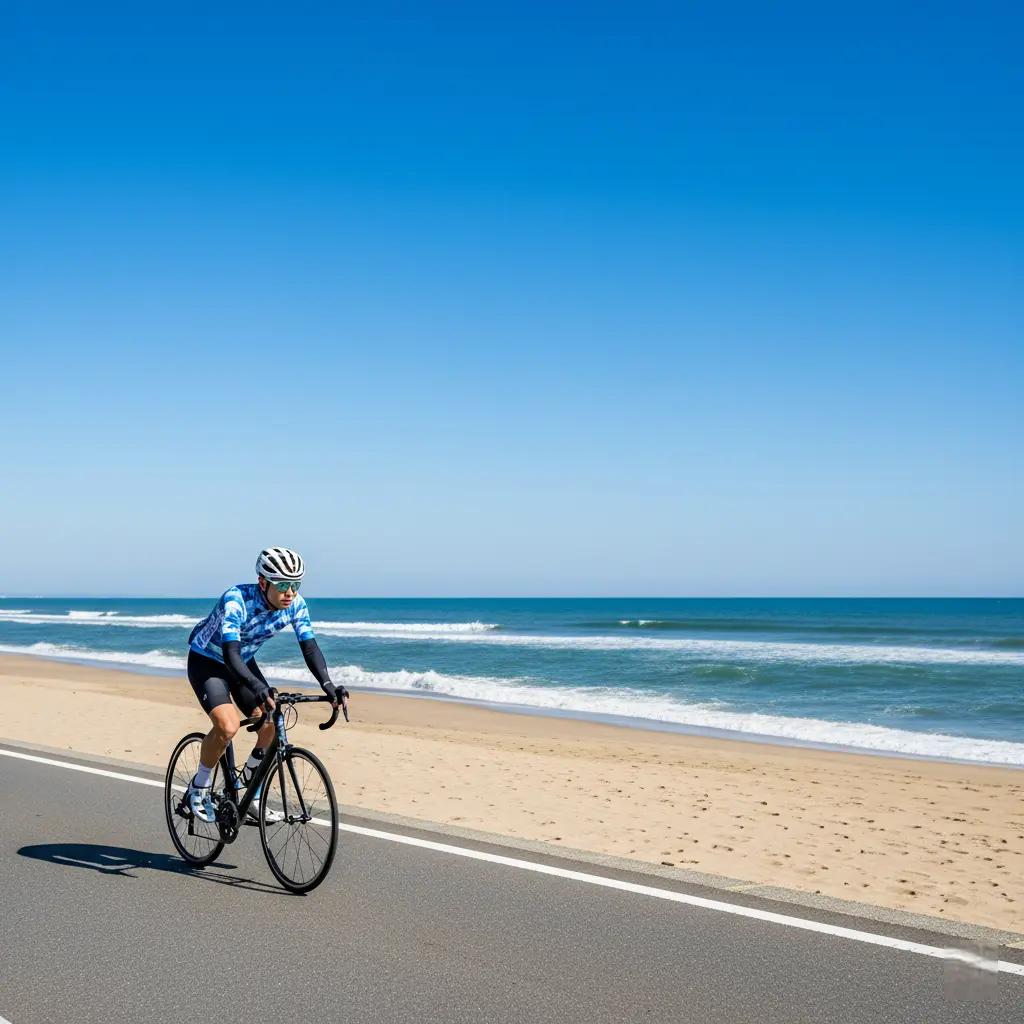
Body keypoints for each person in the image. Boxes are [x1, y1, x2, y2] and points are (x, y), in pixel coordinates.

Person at [183, 547, 348, 823]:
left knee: (271, 719)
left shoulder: (297, 605)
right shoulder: (237, 600)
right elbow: (229, 654)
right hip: (209, 660)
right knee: (228, 725)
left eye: (295, 584)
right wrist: (256, 686)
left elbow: (309, 648)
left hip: (243, 660)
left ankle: (252, 792)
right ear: (263, 582)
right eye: (283, 585)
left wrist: (328, 685)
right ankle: (198, 788)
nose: (290, 592)